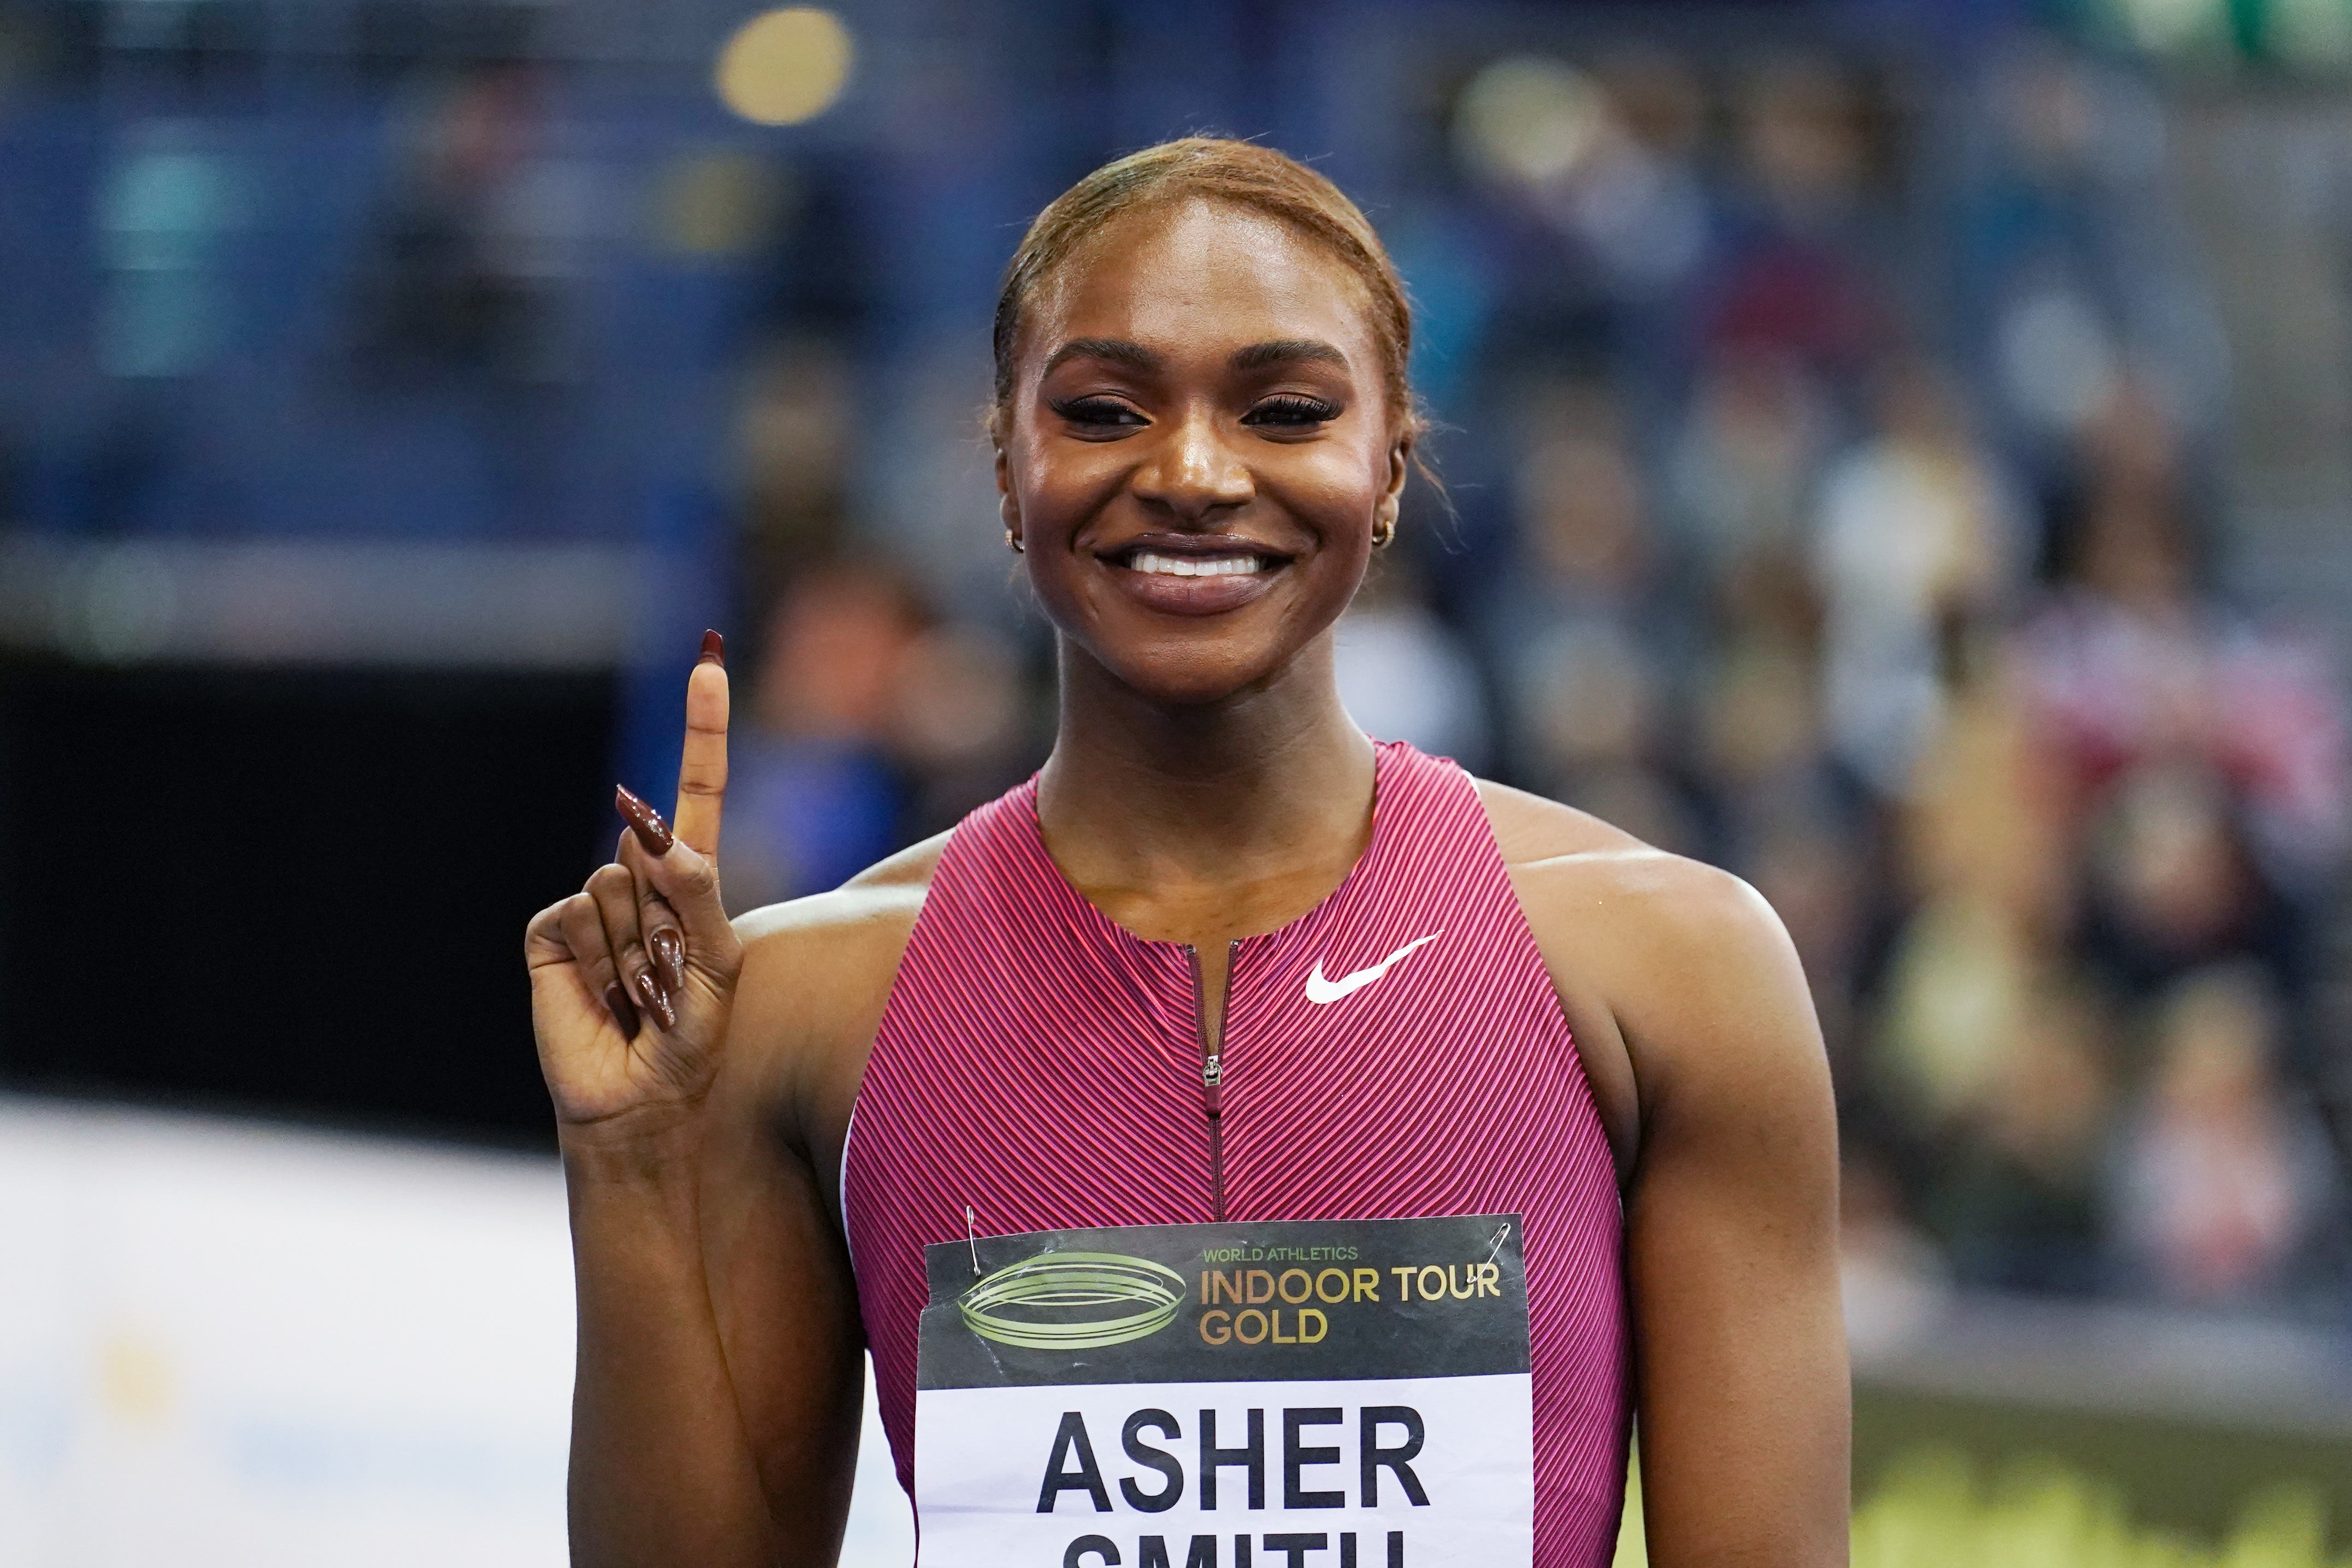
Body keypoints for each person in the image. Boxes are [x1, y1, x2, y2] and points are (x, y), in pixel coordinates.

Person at [525, 139, 1848, 1568]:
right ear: (1004, 464)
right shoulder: (809, 1000)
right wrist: (634, 1163)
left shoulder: (1672, 970)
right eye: (1103, 408)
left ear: (1390, 463)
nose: (1197, 474)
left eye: (1283, 409)